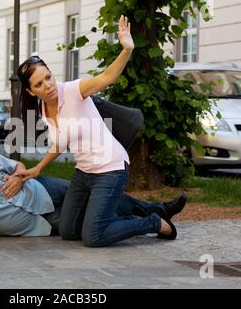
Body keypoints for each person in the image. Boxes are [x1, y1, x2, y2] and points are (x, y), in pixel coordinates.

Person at [15, 15, 187, 247]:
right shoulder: (44, 108)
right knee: (68, 230)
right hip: (84, 173)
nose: (48, 85)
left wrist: (126, 50)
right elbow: (60, 142)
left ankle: (153, 222)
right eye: (39, 84)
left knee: (93, 236)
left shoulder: (74, 90)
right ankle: (116, 220)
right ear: (30, 91)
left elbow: (107, 76)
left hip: (110, 168)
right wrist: (38, 167)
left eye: (48, 77)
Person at [0, 147, 186, 249]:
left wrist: (19, 175)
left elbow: (18, 166)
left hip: (43, 188)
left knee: (101, 194)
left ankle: (158, 209)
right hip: (43, 221)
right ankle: (151, 221)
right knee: (93, 221)